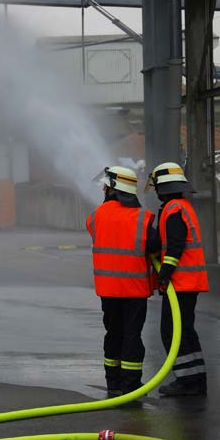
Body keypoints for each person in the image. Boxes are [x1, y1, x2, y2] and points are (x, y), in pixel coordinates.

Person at [86, 166, 155, 396]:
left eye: (106, 185)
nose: (103, 189)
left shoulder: (96, 216)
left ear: (112, 189)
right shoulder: (143, 218)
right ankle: (131, 385)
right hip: (134, 291)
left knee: (112, 334)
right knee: (131, 336)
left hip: (108, 291)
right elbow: (155, 246)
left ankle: (113, 383)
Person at [146, 162, 209, 397]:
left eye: (155, 186)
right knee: (185, 330)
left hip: (181, 282)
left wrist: (164, 276)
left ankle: (187, 382)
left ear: (162, 186)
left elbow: (174, 247)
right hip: (187, 281)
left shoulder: (173, 210)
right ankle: (195, 378)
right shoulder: (182, 206)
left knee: (173, 332)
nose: (153, 191)